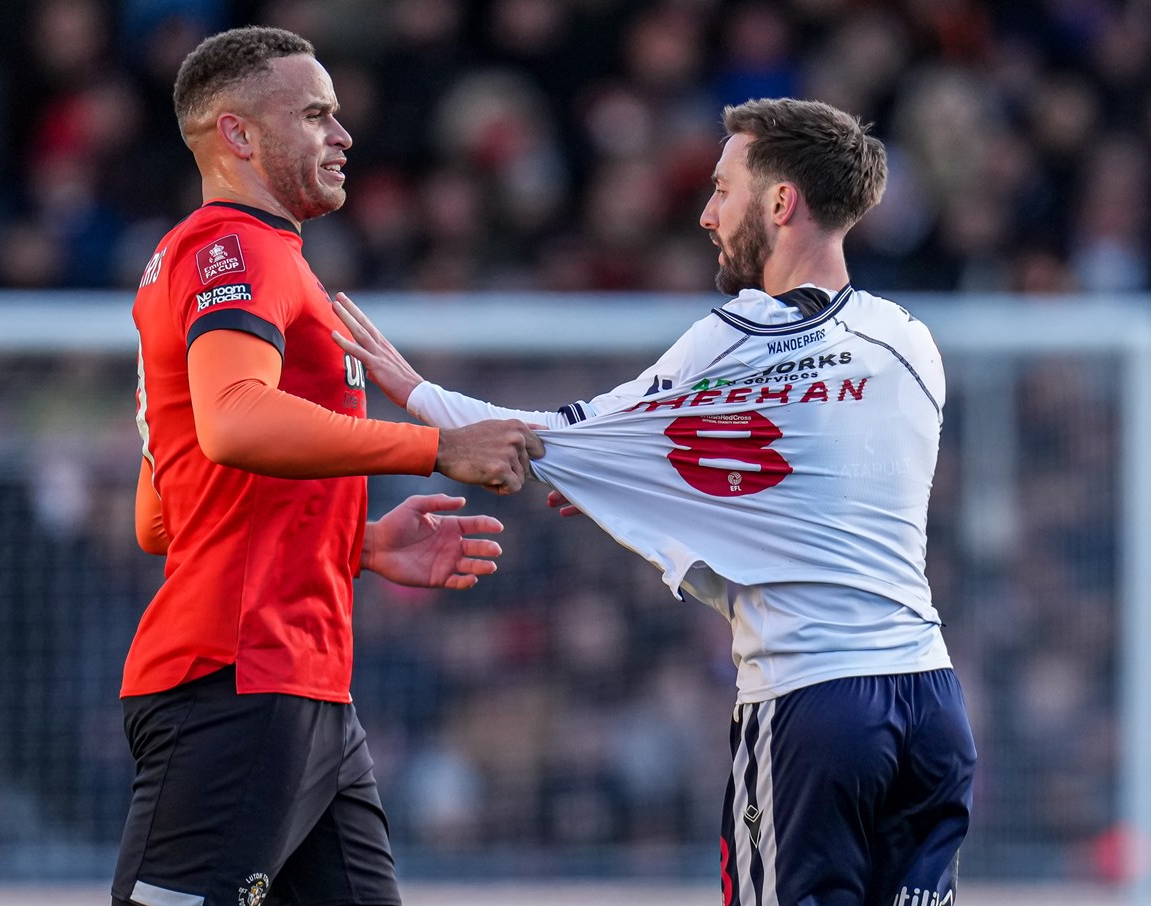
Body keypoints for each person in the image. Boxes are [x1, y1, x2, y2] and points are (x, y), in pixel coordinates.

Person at [333, 98, 977, 906]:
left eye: (722, 190)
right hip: (930, 703)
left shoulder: (737, 338)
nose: (706, 214)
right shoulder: (910, 343)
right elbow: (822, 474)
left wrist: (413, 388)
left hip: (814, 705)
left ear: (781, 205)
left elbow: (540, 441)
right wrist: (636, 481)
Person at [115, 26, 543, 906]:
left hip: (298, 681)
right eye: (315, 115)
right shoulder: (235, 249)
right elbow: (237, 424)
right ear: (237, 135)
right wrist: (435, 447)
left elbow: (163, 516)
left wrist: (353, 541)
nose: (343, 136)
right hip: (237, 675)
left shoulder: (233, 261)